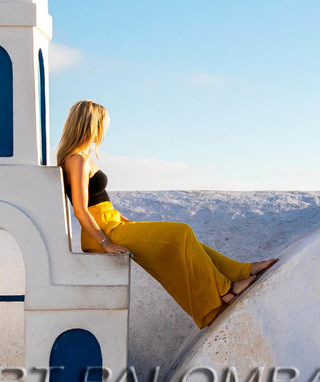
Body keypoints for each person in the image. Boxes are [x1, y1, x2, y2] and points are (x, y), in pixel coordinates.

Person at [58, 99, 275, 329]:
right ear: (91, 125)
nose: (103, 133)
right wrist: (106, 244)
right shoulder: (77, 160)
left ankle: (241, 270)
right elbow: (81, 210)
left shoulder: (80, 158)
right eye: (103, 126)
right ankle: (226, 290)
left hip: (112, 223)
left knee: (184, 241)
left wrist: (122, 220)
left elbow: (98, 203)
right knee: (182, 233)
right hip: (104, 232)